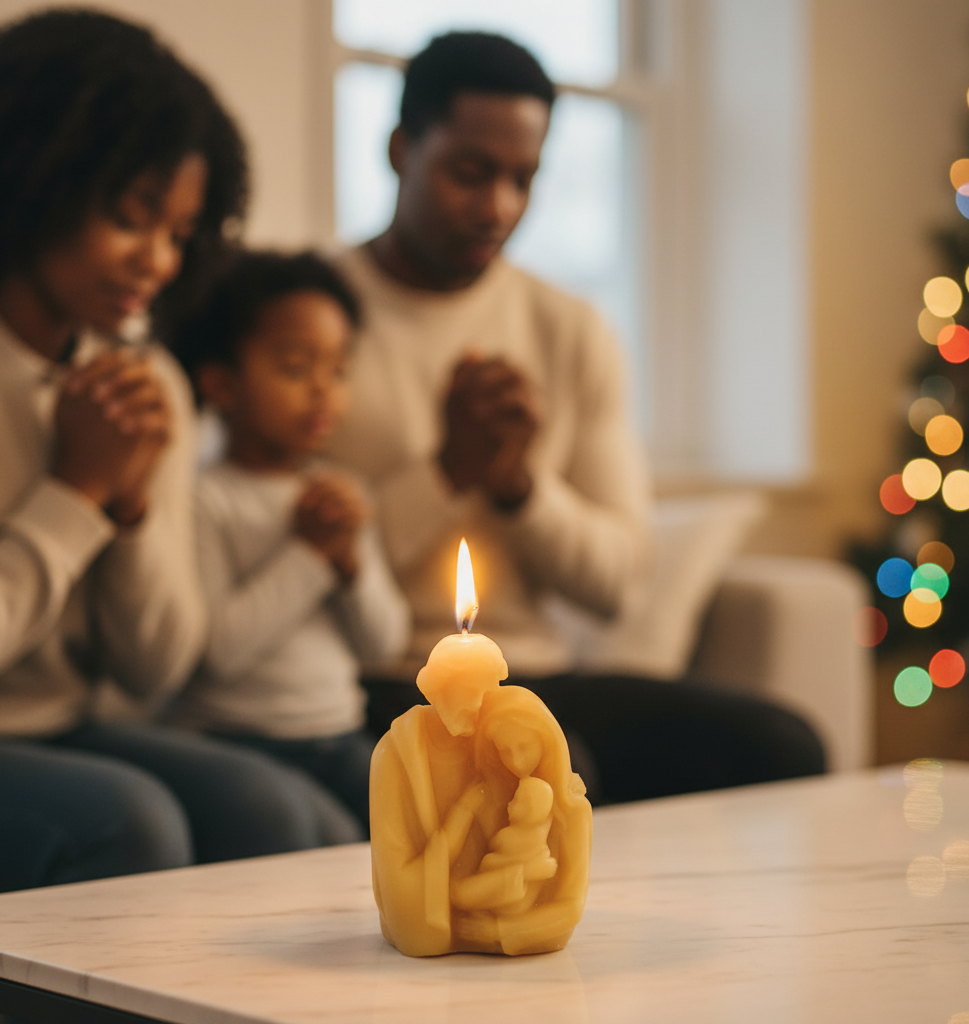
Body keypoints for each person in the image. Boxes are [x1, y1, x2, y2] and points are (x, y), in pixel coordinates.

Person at [328, 30, 826, 804]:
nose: (498, 206)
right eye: (470, 172)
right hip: (377, 677)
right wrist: (446, 472)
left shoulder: (567, 327)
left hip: (535, 673)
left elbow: (617, 585)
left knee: (781, 745)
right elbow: (310, 563)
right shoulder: (311, 320)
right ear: (400, 149)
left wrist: (517, 486)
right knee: (556, 777)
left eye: (523, 179)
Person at [0, 10, 358, 902]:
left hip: (60, 724)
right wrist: (73, 494)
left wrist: (126, 508)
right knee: (129, 819)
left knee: (275, 813)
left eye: (179, 233)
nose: (159, 263)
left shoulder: (144, 384)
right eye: (133, 220)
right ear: (33, 179)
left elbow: (153, 667)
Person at [169, 250, 410, 829]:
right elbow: (219, 652)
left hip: (339, 733)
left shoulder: (341, 492)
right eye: (298, 368)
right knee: (327, 838)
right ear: (222, 383)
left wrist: (351, 563)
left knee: (419, 825)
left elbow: (384, 643)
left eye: (339, 370)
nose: (324, 391)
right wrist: (309, 555)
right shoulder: (206, 498)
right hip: (242, 742)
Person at [369, 631, 590, 956]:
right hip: (445, 906)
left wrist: (503, 928)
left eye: (485, 694)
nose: (477, 706)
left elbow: (567, 905)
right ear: (437, 689)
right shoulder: (398, 755)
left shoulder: (541, 792)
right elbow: (399, 877)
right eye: (468, 692)